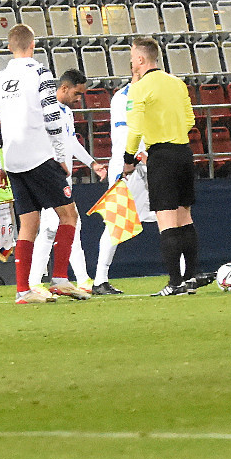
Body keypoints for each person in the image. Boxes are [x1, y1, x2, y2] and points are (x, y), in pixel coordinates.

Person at [0, 24, 91, 305]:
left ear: (10, 47)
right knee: (69, 215)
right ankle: (60, 279)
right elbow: (52, 118)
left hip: (12, 161)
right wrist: (60, 156)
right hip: (39, 157)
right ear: (33, 45)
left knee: (28, 223)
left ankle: (23, 291)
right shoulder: (41, 74)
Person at [121, 37, 204, 296]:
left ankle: (174, 282)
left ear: (141, 59)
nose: (132, 62)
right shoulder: (177, 83)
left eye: (132, 57)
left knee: (167, 221)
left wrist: (128, 159)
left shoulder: (139, 88)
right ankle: (191, 278)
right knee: (185, 217)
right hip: (184, 153)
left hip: (161, 156)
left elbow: (135, 129)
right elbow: (190, 120)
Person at [30, 69, 101, 294]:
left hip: (62, 177)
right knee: (61, 226)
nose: (79, 99)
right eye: (77, 93)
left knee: (57, 228)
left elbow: (71, 142)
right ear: (63, 88)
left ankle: (39, 281)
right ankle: (74, 280)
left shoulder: (66, 112)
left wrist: (92, 163)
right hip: (50, 175)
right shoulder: (45, 110)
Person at [91, 73, 156, 295]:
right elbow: (123, 135)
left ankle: (185, 274)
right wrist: (138, 157)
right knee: (116, 223)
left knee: (169, 216)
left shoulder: (149, 95)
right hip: (128, 166)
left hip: (149, 164)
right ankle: (100, 280)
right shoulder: (122, 98)